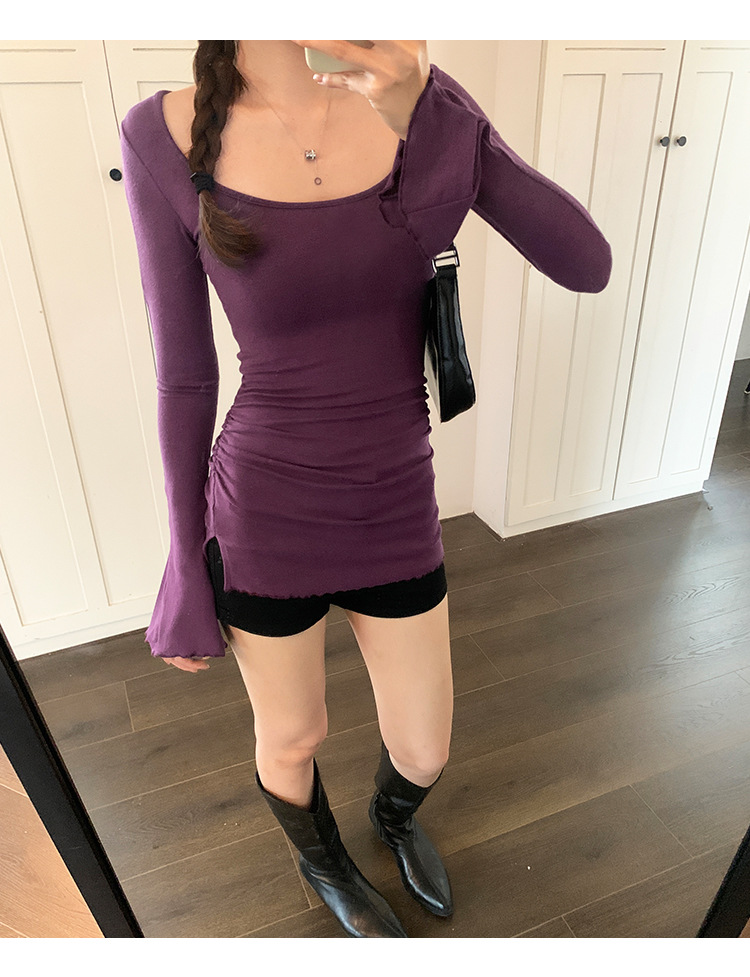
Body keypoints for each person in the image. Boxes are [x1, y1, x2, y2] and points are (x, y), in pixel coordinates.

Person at [120, 39, 612, 939]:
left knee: (425, 745)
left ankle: (392, 817)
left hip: (395, 496)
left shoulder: (422, 102)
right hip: (264, 512)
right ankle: (325, 861)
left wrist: (434, 111)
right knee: (293, 736)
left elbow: (587, 263)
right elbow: (185, 378)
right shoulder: (162, 134)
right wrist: (186, 561)